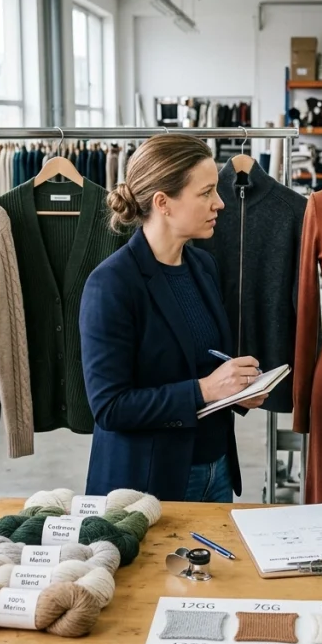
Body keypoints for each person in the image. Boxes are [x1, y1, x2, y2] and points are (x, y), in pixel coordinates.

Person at [79, 134, 266, 502]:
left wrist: (236, 390)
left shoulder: (203, 265)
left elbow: (204, 363)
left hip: (217, 467)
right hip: (151, 480)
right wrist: (205, 390)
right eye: (206, 192)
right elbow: (110, 407)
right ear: (163, 202)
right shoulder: (112, 284)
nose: (220, 203)